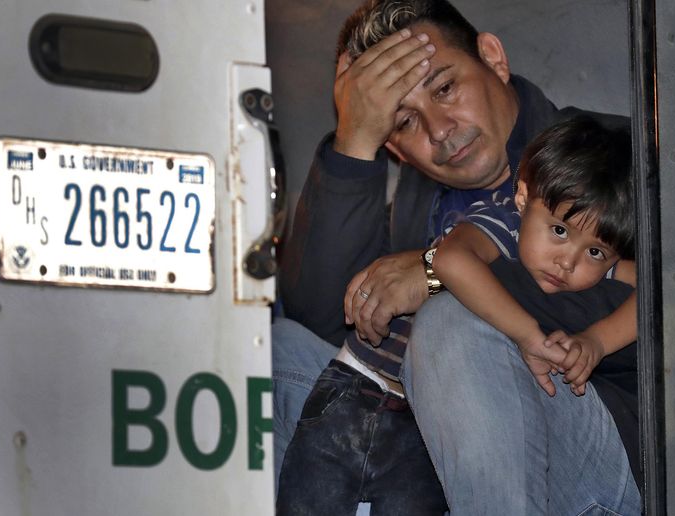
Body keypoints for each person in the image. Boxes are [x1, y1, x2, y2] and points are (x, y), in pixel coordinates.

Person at [273, 0, 562, 481]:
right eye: (404, 122)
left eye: (445, 88)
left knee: (448, 324)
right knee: (276, 352)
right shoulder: (411, 213)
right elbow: (320, 324)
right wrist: (353, 143)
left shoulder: (610, 154)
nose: (439, 129)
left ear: (492, 58)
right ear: (393, 147)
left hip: (558, 452)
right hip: (414, 455)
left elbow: (592, 262)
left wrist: (438, 269)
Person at [404, 115, 641, 514]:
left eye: (595, 253)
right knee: (447, 316)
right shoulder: (505, 222)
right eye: (559, 232)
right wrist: (527, 335)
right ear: (522, 198)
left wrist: (597, 341)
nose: (568, 261)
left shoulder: (593, 253)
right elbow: (450, 259)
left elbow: (661, 294)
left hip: (616, 459)